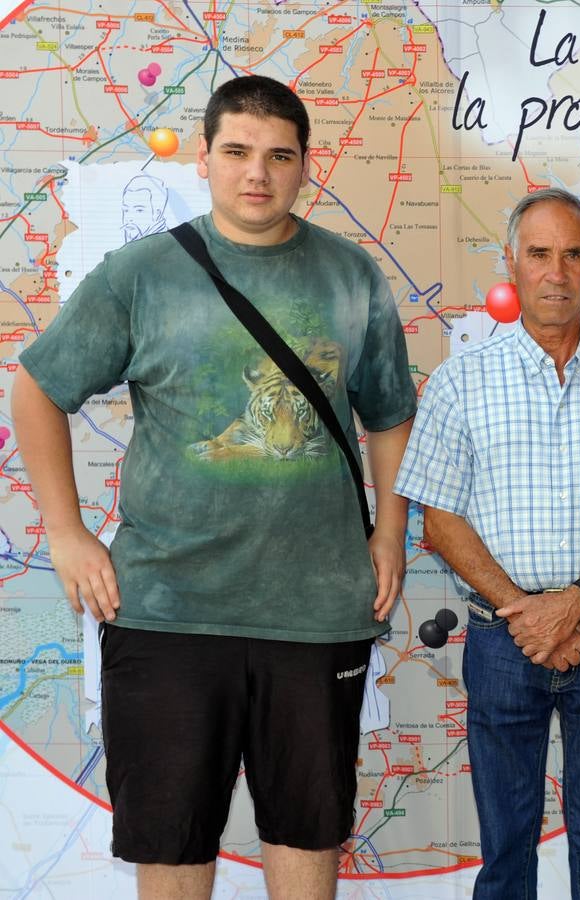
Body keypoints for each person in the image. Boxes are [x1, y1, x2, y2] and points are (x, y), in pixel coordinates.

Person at [12, 75, 417, 899]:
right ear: (204, 158)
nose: (256, 173)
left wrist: (388, 533)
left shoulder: (351, 276)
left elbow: (390, 415)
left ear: (307, 165)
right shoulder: (142, 273)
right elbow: (36, 389)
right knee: (172, 846)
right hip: (165, 612)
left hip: (313, 613)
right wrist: (65, 532)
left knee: (307, 837)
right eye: (236, 152)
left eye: (278, 156)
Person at [394, 187, 580, 899]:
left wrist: (574, 602)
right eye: (538, 254)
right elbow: (439, 520)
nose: (556, 271)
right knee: (506, 836)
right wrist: (526, 612)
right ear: (511, 264)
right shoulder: (460, 382)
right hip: (503, 638)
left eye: (572, 254)